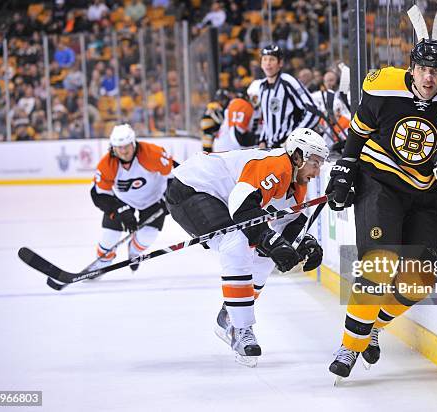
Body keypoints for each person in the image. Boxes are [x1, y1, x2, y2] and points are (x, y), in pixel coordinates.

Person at [325, 39, 437, 378]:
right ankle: (350, 346)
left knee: (419, 280)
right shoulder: (383, 86)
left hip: (424, 192)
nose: (428, 78)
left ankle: (371, 327)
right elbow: (359, 132)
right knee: (379, 262)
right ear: (412, 68)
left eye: (435, 71)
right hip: (380, 182)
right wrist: (347, 166)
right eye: (422, 69)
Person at [165, 128, 328, 366]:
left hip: (218, 198)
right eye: (315, 162)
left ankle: (230, 316)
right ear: (297, 156)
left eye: (321, 163)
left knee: (265, 253)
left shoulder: (296, 182)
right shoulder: (276, 165)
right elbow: (242, 207)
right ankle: (239, 328)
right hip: (192, 189)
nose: (318, 170)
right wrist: (271, 240)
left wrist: (303, 245)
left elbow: (289, 226)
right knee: (238, 242)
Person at [90, 124, 175, 272]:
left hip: (154, 199)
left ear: (133, 143)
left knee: (147, 236)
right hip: (122, 200)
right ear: (113, 148)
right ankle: (102, 263)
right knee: (110, 236)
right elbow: (98, 194)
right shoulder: (107, 164)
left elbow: (174, 175)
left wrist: (169, 199)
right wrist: (119, 210)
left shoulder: (152, 153)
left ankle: (134, 252)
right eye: (119, 147)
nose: (123, 151)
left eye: (126, 146)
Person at [258, 45, 319, 148]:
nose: (268, 63)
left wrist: (295, 137)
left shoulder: (288, 82)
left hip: (288, 148)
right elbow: (267, 118)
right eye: (265, 59)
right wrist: (262, 140)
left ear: (280, 63)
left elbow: (313, 111)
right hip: (270, 148)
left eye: (272, 59)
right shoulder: (262, 86)